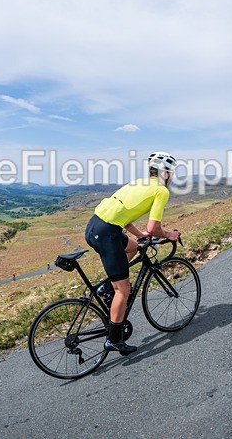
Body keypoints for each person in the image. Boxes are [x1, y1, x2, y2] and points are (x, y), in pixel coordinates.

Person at [85, 151, 180, 355]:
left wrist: (140, 235)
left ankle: (107, 289)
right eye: (172, 173)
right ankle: (114, 339)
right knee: (124, 290)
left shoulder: (138, 183)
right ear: (166, 173)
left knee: (133, 247)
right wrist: (169, 234)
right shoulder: (161, 191)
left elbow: (123, 214)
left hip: (96, 226)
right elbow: (155, 228)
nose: (172, 177)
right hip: (108, 233)